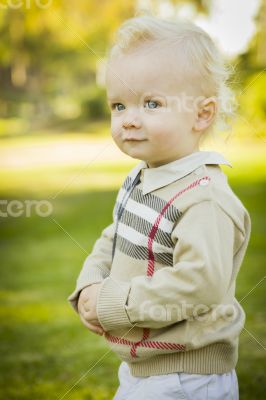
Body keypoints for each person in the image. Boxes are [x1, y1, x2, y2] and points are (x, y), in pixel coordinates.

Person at [68, 15, 251, 399]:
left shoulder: (204, 198)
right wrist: (90, 285)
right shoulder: (145, 177)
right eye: (118, 105)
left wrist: (113, 303)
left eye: (151, 103)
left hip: (185, 376)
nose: (128, 121)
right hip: (144, 368)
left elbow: (198, 287)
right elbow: (115, 236)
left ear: (202, 114)